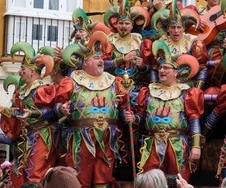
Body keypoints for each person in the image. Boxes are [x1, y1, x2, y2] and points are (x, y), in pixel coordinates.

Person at [57, 30, 128, 187]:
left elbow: (123, 106)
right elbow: (58, 103)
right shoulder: (72, 80)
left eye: (102, 58)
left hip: (108, 135)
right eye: (96, 58)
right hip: (81, 135)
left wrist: (129, 117)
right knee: (81, 173)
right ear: (85, 63)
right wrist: (61, 109)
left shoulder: (114, 81)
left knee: (104, 174)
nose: (101, 61)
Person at [125, 42, 204, 181]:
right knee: (151, 181)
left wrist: (196, 146)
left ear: (175, 72)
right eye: (160, 68)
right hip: (152, 143)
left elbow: (194, 119)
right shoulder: (148, 91)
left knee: (178, 180)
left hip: (177, 143)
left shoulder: (186, 92)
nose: (162, 71)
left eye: (166, 68)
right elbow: (141, 116)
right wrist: (134, 119)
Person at [0, 42, 60, 186]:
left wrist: (33, 113)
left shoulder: (43, 89)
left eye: (23, 68)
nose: (20, 72)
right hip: (26, 137)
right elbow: (22, 113)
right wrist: (4, 110)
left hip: (42, 136)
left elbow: (53, 112)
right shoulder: (23, 92)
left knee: (36, 172)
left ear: (32, 71)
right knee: (19, 172)